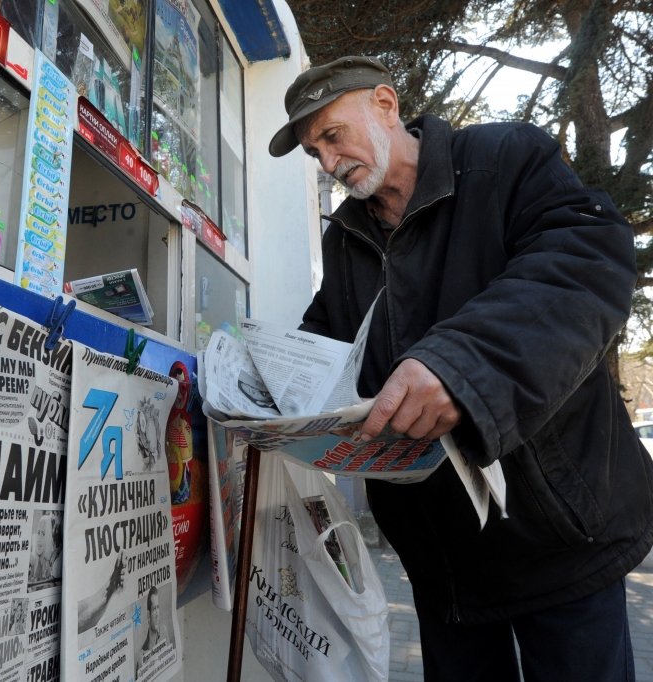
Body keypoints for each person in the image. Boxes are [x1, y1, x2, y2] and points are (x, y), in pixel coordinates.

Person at [270, 55, 653, 680]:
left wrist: (459, 365)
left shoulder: (505, 159)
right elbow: (328, 341)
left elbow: (585, 261)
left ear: (386, 105)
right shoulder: (346, 237)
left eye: (333, 136)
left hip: (556, 536)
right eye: (315, 154)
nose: (329, 165)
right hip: (442, 563)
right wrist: (260, 392)